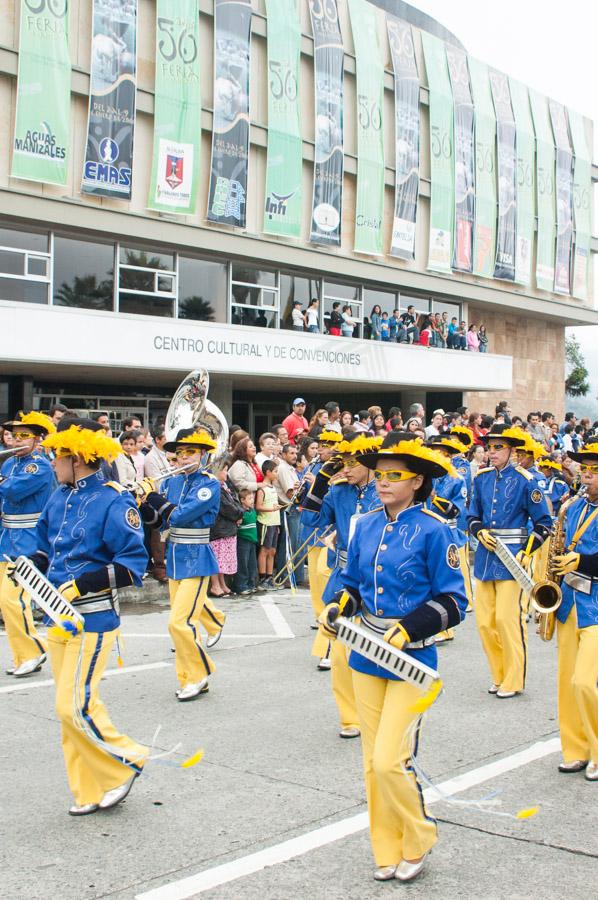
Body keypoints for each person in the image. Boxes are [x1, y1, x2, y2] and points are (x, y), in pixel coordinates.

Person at [318, 433, 467, 883]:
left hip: (413, 662)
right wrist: (337, 607)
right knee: (370, 762)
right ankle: (386, 847)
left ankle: (419, 835)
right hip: (365, 654)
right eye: (379, 475)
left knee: (391, 760)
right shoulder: (363, 523)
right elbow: (351, 581)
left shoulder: (437, 529)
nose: (382, 482)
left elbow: (456, 600)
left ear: (417, 480)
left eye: (393, 476)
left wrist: (412, 627)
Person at [32, 418, 148, 815]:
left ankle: (125, 760)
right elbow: (46, 544)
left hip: (92, 619)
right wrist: (30, 565)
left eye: (56, 456)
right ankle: (88, 789)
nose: (52, 463)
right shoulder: (58, 495)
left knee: (74, 706)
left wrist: (81, 585)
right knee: (68, 709)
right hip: (55, 617)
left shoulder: (114, 499)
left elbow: (134, 565)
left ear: (77, 458)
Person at [468, 424, 552, 699]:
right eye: (489, 447)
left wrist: (527, 550)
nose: (491, 453)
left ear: (512, 450)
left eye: (498, 447)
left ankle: (514, 679)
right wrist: (478, 531)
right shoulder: (480, 478)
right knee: (484, 622)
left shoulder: (527, 480)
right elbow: (472, 515)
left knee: (507, 619)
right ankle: (498, 673)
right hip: (485, 555)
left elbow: (543, 523)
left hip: (513, 555)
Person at [141, 429, 221, 702]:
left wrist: (154, 498)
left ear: (203, 454)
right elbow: (160, 522)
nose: (183, 457)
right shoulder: (172, 483)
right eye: (181, 452)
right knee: (183, 624)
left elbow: (181, 516)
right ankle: (188, 677)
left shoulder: (209, 484)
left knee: (180, 623)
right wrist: (142, 501)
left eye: (191, 452)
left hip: (197, 558)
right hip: (175, 557)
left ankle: (199, 674)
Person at [318, 434, 381, 738]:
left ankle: (376, 710)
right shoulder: (338, 491)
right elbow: (312, 519)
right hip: (343, 575)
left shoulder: (383, 491)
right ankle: (350, 718)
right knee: (341, 653)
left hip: (377, 577)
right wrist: (322, 477)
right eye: (343, 462)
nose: (346, 468)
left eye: (353, 462)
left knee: (373, 648)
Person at [551, 440, 598, 780]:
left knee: (586, 682)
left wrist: (581, 560)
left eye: (596, 472)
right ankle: (575, 749)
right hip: (569, 602)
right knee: (567, 683)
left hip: (595, 604)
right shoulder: (573, 507)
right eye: (586, 471)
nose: (588, 478)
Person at [0, 412, 55, 677]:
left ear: (37, 440)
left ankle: (34, 649)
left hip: (29, 538)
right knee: (5, 601)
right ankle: (24, 654)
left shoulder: (40, 465)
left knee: (13, 599)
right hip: (6, 537)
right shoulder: (8, 465)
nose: (17, 440)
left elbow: (12, 491)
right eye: (15, 435)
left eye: (25, 436)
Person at [298, 430, 343, 669]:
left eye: (326, 446)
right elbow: (311, 507)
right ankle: (321, 617)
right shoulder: (317, 467)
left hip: (333, 534)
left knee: (326, 578)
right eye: (321, 446)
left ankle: (332, 641)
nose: (321, 450)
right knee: (316, 577)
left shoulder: (339, 471)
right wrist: (302, 489)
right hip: (317, 531)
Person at [209, 458, 244, 598]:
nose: (226, 472)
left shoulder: (224, 486)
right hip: (218, 529)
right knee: (216, 558)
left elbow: (235, 501)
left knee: (222, 560)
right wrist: (238, 514)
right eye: (224, 469)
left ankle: (222, 583)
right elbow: (225, 507)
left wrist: (239, 512)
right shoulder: (214, 486)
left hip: (227, 527)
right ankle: (215, 585)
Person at [255, 460, 281, 590]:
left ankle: (270, 577)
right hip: (265, 522)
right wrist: (272, 509)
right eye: (275, 471)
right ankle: (262, 577)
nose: (277, 474)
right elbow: (258, 506)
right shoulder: (262, 489)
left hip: (274, 523)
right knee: (264, 550)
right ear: (268, 472)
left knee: (272, 551)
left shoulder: (273, 488)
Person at [233, 489, 259, 595]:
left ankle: (251, 584)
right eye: (249, 498)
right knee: (242, 563)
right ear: (242, 500)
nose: (252, 500)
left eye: (253, 498)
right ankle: (241, 586)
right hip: (243, 540)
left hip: (252, 541)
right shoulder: (240, 512)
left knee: (252, 563)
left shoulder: (252, 511)